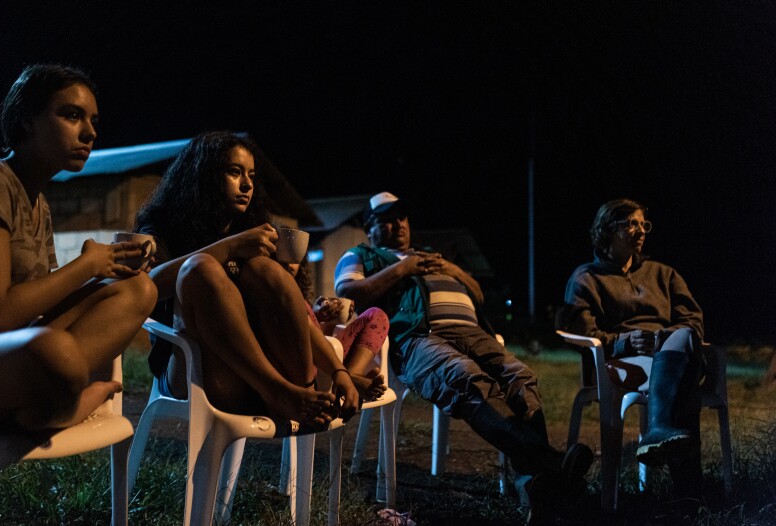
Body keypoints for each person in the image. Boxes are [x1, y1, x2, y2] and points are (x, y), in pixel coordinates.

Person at [0, 64, 157, 431]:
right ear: (27, 120)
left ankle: (45, 406)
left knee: (137, 290)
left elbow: (33, 306)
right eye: (71, 115)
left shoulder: (38, 203)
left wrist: (108, 269)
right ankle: (59, 405)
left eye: (93, 120)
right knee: (55, 352)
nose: (90, 132)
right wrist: (85, 266)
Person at [335, 191, 592, 519]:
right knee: (465, 378)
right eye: (386, 220)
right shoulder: (364, 254)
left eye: (401, 217)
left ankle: (536, 481)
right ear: (370, 228)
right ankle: (552, 466)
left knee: (521, 377)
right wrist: (403, 270)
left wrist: (452, 269)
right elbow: (346, 290)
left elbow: (478, 293)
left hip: (475, 333)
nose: (397, 224)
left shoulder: (430, 255)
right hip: (419, 337)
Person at [134, 131, 358, 432]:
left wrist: (339, 371)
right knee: (200, 268)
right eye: (234, 172)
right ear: (204, 176)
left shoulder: (251, 231)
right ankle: (278, 392)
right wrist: (229, 248)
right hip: (194, 372)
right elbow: (146, 287)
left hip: (256, 377)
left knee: (265, 270)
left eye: (251, 175)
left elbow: (299, 315)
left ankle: (300, 389)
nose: (247, 184)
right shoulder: (164, 226)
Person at [557, 198, 704, 495]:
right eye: (631, 224)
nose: (641, 231)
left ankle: (659, 431)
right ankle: (689, 493)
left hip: (668, 350)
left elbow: (693, 320)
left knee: (685, 336)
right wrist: (624, 341)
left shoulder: (664, 274)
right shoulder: (587, 278)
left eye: (643, 224)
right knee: (685, 382)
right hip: (622, 360)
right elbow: (583, 334)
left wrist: (663, 337)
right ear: (607, 229)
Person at [287, 258, 387, 401]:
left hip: (329, 360)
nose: (290, 263)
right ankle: (351, 380)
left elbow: (322, 338)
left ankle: (353, 375)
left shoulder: (300, 296)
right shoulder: (276, 297)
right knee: (302, 306)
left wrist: (327, 318)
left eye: (294, 258)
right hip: (310, 369)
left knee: (376, 315)